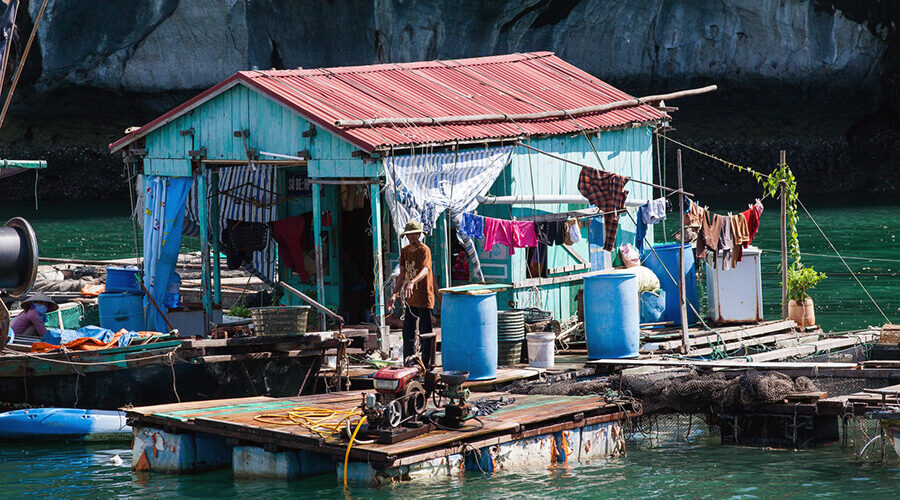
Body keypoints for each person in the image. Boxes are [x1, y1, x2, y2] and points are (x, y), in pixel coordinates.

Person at [387, 220, 435, 368]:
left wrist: (413, 281)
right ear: (406, 236)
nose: (413, 237)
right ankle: (408, 362)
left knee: (425, 332)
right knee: (408, 331)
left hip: (424, 297)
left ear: (419, 234)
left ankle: (426, 364)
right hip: (410, 298)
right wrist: (394, 294)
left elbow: (426, 269)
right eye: (410, 234)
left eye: (415, 234)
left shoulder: (424, 250)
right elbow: (402, 274)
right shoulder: (405, 251)